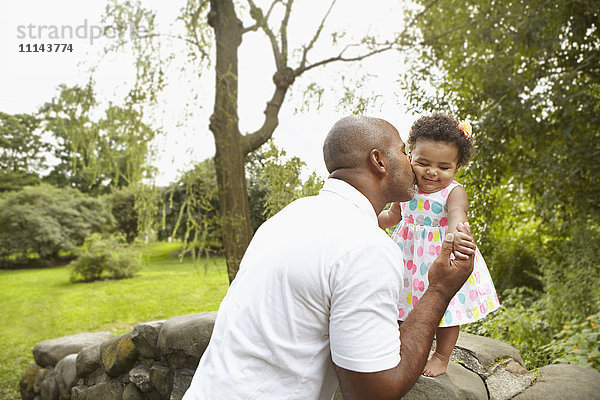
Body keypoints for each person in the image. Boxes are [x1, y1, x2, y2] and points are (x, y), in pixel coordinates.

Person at [182, 115, 475, 400]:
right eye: (403, 151)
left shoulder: (289, 216)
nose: (412, 164)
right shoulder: (365, 247)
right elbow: (373, 394)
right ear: (379, 161)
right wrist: (439, 289)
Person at [378, 113, 500, 377]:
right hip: (406, 259)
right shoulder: (405, 188)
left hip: (440, 259)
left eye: (443, 167)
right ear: (409, 157)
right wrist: (366, 217)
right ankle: (398, 347)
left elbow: (458, 216)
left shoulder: (453, 191)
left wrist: (459, 234)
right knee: (399, 304)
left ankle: (442, 356)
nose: (432, 172)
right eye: (423, 163)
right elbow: (392, 216)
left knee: (446, 312)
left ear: (456, 168)